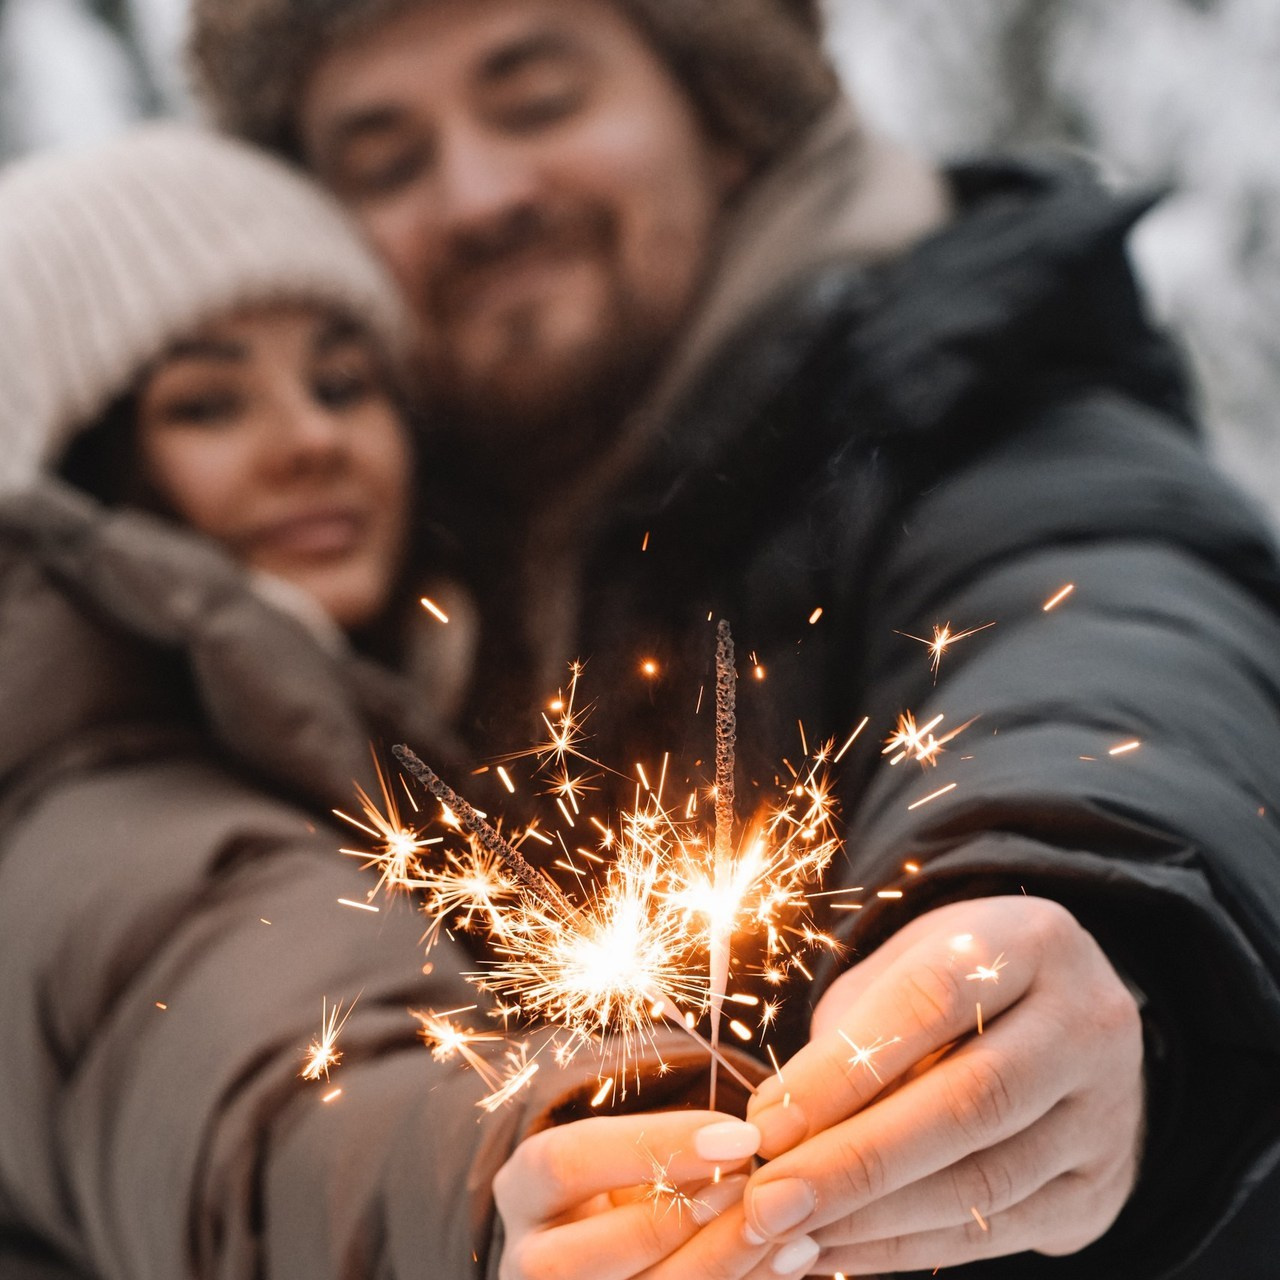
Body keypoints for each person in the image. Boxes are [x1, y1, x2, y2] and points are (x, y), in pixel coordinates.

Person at [188, 0, 1280, 1276]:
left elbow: (1109, 611)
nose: (477, 193)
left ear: (722, 118)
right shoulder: (338, 565)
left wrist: (1078, 902)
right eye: (384, 160)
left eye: (537, 99)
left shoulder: (978, 398)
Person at [0, 124, 781, 1280]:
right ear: (75, 473)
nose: (312, 438)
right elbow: (271, 1104)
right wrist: (524, 1160)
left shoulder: (405, 730)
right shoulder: (94, 821)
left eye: (342, 381)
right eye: (209, 405)